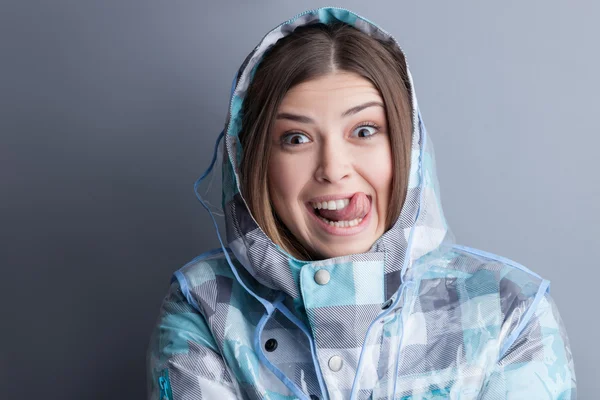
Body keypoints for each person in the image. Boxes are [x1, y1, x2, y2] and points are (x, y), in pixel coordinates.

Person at [146, 7, 576, 399]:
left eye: (365, 130)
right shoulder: (205, 307)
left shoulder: (508, 310)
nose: (333, 168)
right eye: (296, 138)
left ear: (408, 146)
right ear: (254, 162)